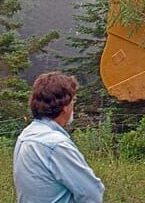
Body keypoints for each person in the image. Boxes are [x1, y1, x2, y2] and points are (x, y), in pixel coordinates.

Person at [13, 72, 104, 203]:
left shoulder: (26, 135)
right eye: (73, 100)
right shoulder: (56, 144)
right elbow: (92, 192)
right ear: (65, 106)